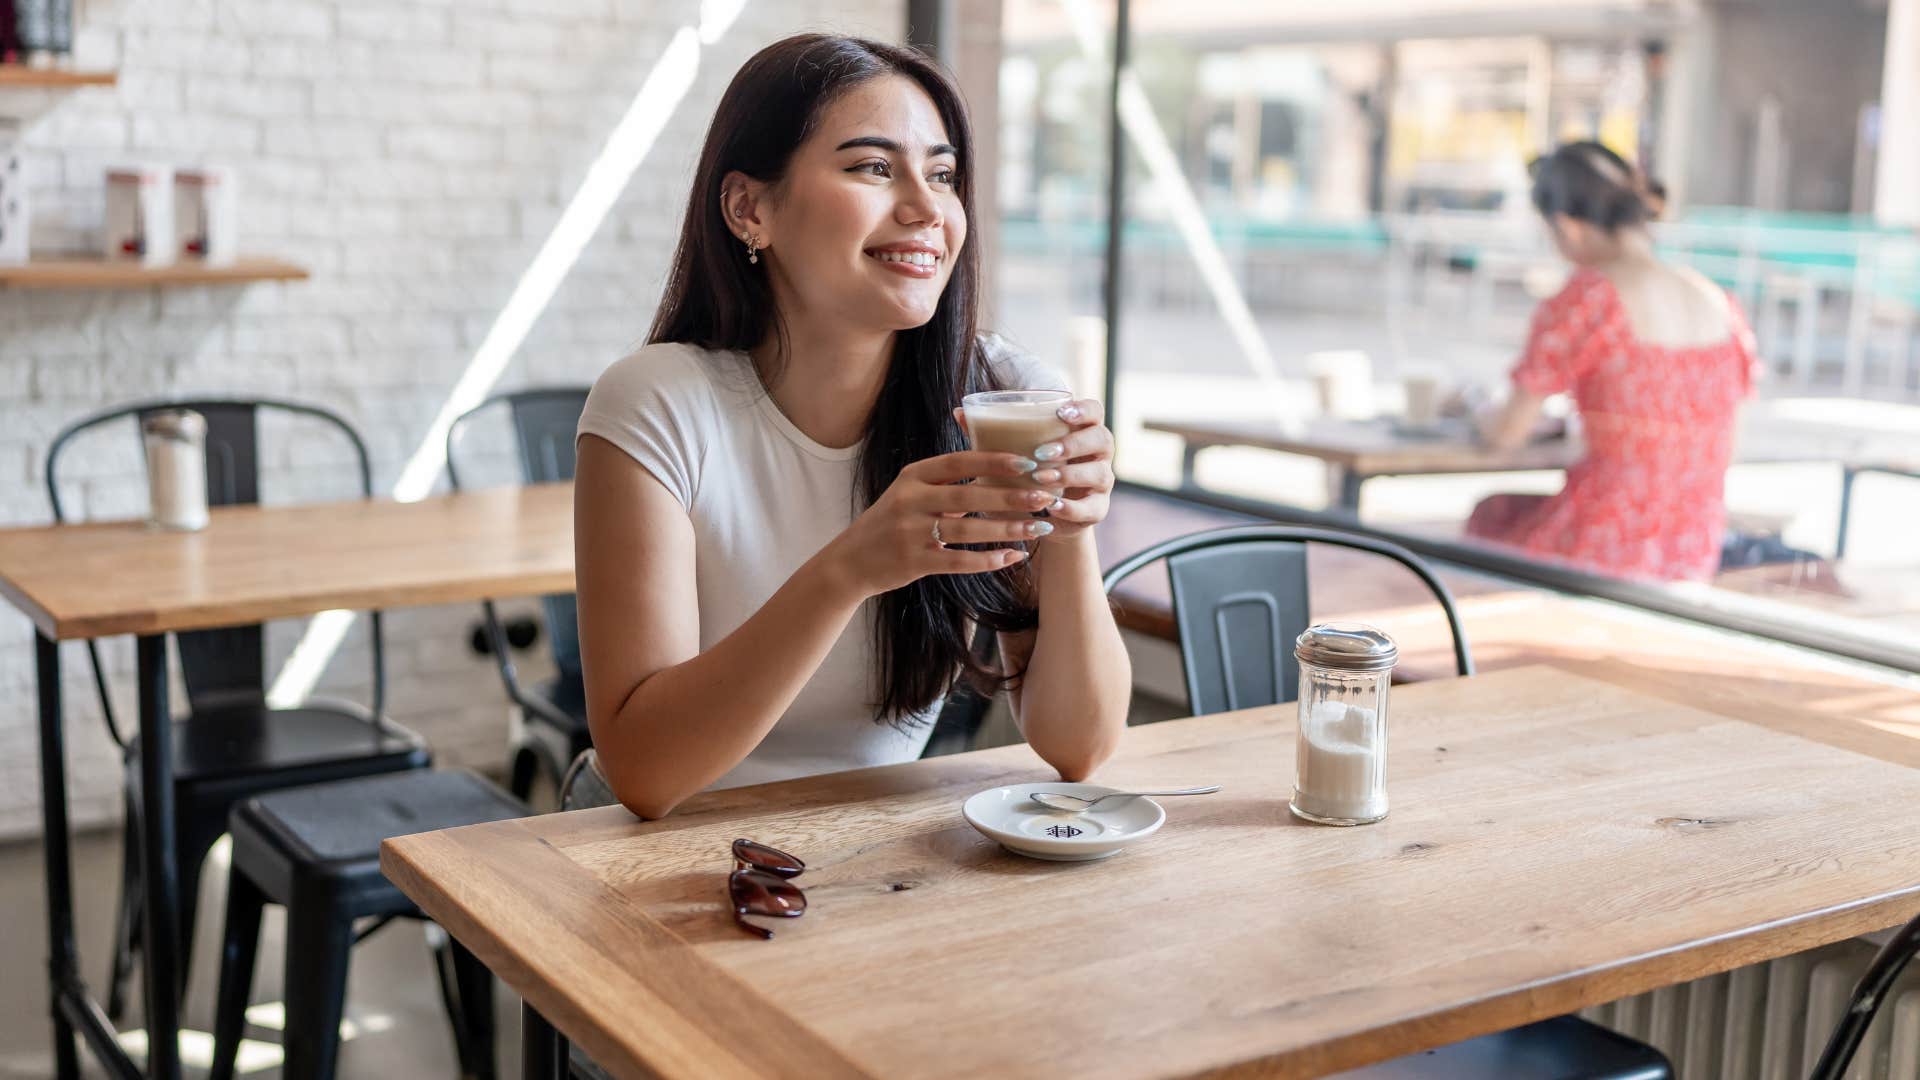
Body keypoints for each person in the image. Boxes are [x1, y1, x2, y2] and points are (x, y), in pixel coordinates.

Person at [572, 34, 1130, 820]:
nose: (926, 208)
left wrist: (1069, 527)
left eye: (941, 174)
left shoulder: (1003, 394)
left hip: (859, 846)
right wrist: (851, 569)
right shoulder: (655, 404)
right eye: (874, 167)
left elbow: (1080, 747)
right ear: (749, 209)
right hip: (651, 847)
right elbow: (644, 773)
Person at [1465, 141, 1756, 582]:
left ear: (1567, 227)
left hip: (1600, 549)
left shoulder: (1592, 297)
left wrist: (1473, 410)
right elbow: (1725, 438)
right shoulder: (1717, 300)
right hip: (1693, 552)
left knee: (1490, 516)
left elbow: (1507, 433)